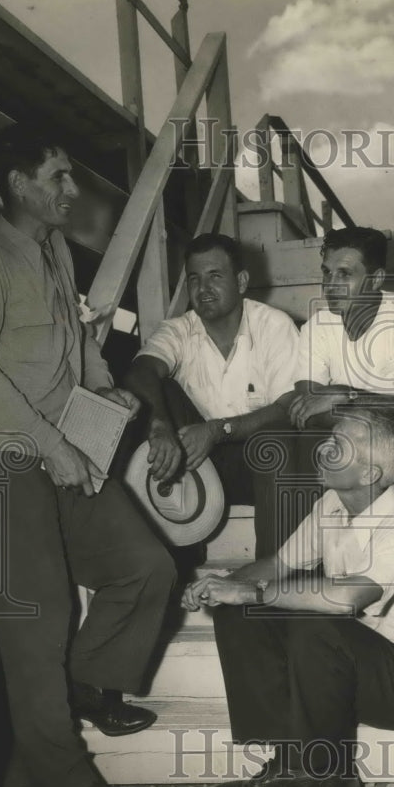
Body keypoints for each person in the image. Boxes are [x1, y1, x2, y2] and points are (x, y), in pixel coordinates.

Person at [0, 122, 175, 787]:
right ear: (18, 185)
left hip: (66, 446)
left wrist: (108, 391)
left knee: (146, 567)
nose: (72, 191)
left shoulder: (52, 254)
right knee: (38, 625)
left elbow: (75, 342)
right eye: (58, 179)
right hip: (4, 459)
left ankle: (72, 698)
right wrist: (50, 445)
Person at [182, 410, 394, 787]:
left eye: (338, 447)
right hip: (344, 666)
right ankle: (292, 763)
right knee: (242, 613)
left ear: (369, 473)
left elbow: (347, 601)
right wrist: (222, 583)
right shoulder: (333, 504)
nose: (323, 449)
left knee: (315, 622)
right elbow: (279, 565)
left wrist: (249, 590)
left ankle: (337, 778)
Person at [125, 233, 300, 556]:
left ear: (242, 281)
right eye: (195, 279)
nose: (203, 289)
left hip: (261, 464)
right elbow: (142, 370)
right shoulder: (180, 328)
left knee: (274, 439)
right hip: (199, 464)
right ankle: (177, 561)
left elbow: (289, 407)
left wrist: (217, 430)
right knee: (158, 390)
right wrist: (160, 425)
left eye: (215, 276)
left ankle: (271, 581)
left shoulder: (274, 325)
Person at [287, 226, 394, 513]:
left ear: (376, 279)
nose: (330, 285)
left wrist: (347, 395)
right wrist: (392, 413)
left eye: (345, 274)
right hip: (351, 439)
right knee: (303, 444)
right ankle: (303, 552)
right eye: (326, 272)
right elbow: (304, 412)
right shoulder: (316, 327)